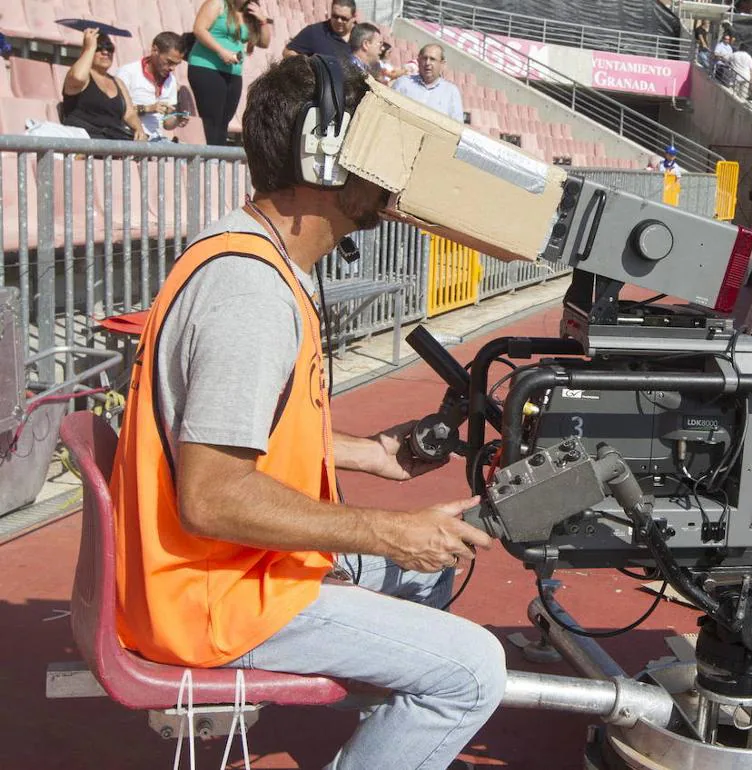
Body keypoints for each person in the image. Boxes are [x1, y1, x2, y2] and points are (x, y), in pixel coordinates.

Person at [110, 55, 505, 770]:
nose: (392, 176)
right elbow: (211, 494)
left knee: (429, 573)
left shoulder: (252, 256)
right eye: (376, 151)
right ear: (323, 157)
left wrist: (370, 455)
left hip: (220, 572)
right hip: (214, 596)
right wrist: (386, 532)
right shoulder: (251, 295)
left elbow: (232, 425)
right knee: (474, 671)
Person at [188, 0, 272, 145]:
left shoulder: (249, 13)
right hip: (207, 67)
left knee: (224, 120)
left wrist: (263, 21)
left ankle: (217, 159)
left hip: (233, 72)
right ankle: (211, 159)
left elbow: (264, 43)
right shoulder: (217, 4)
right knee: (212, 118)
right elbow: (199, 29)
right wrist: (220, 51)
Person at [60, 29, 142, 141]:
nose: (105, 52)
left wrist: (139, 130)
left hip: (113, 141)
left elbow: (129, 113)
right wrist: (89, 48)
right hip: (84, 141)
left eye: (110, 48)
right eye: (99, 48)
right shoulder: (80, 77)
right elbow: (78, 77)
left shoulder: (118, 82)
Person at [115, 32, 191, 141]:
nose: (172, 68)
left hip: (157, 140)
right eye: (169, 62)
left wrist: (177, 119)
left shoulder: (171, 80)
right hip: (129, 136)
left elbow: (167, 124)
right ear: (155, 50)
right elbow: (116, 111)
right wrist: (149, 108)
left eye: (176, 64)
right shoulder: (128, 72)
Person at [394, 43, 464, 123]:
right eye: (424, 58)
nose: (427, 63)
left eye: (432, 59)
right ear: (419, 61)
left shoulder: (451, 92)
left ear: (442, 64)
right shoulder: (403, 83)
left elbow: (457, 126)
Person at [284, 0, 354, 59]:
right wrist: (307, 66)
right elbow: (288, 52)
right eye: (335, 16)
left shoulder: (362, 34)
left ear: (353, 17)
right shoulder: (314, 32)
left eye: (344, 18)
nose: (339, 21)